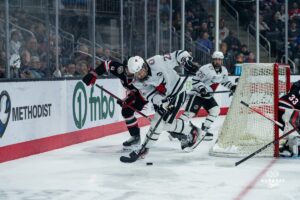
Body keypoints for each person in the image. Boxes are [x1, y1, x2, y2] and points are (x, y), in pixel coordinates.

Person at [121, 50, 202, 162]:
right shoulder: (137, 82)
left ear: (144, 65)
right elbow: (150, 94)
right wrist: (162, 102)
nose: (140, 75)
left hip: (177, 91)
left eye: (141, 71)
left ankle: (191, 131)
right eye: (137, 74)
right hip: (165, 98)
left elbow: (177, 55)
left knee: (164, 124)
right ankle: (145, 149)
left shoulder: (156, 61)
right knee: (159, 123)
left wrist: (186, 61)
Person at [82, 59, 148, 150]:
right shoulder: (120, 69)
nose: (129, 72)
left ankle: (172, 129)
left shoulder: (141, 77)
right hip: (138, 93)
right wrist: (94, 74)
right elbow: (107, 64)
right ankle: (136, 137)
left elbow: (143, 95)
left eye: (132, 71)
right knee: (126, 111)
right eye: (127, 69)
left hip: (149, 94)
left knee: (162, 112)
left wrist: (129, 99)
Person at [176, 51, 236, 142]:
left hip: (208, 96)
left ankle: (204, 130)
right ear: (213, 60)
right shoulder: (205, 68)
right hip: (197, 94)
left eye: (219, 60)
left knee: (215, 110)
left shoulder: (224, 70)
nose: (217, 61)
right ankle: (175, 130)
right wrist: (202, 89)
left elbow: (224, 81)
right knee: (189, 114)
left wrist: (232, 86)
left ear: (222, 61)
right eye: (215, 59)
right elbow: (195, 80)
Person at [278, 80, 300, 157]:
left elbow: (295, 85)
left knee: (289, 127)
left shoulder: (295, 88)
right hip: (287, 112)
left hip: (278, 111)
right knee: (293, 125)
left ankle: (291, 144)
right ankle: (295, 145)